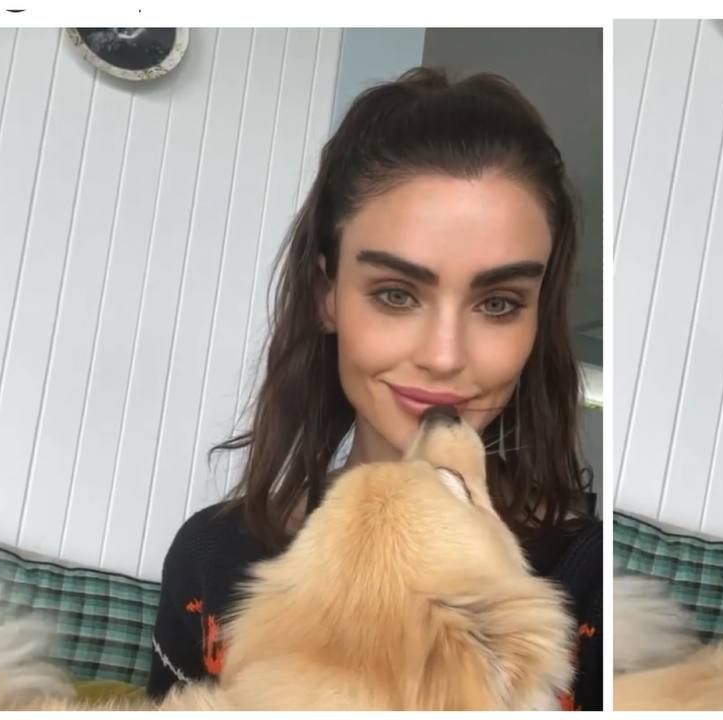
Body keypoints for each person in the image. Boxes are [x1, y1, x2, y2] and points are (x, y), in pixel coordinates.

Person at [144, 67, 602, 710]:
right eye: (395, 294)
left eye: (499, 303)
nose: (444, 357)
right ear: (326, 295)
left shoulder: (592, 583)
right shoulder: (212, 555)